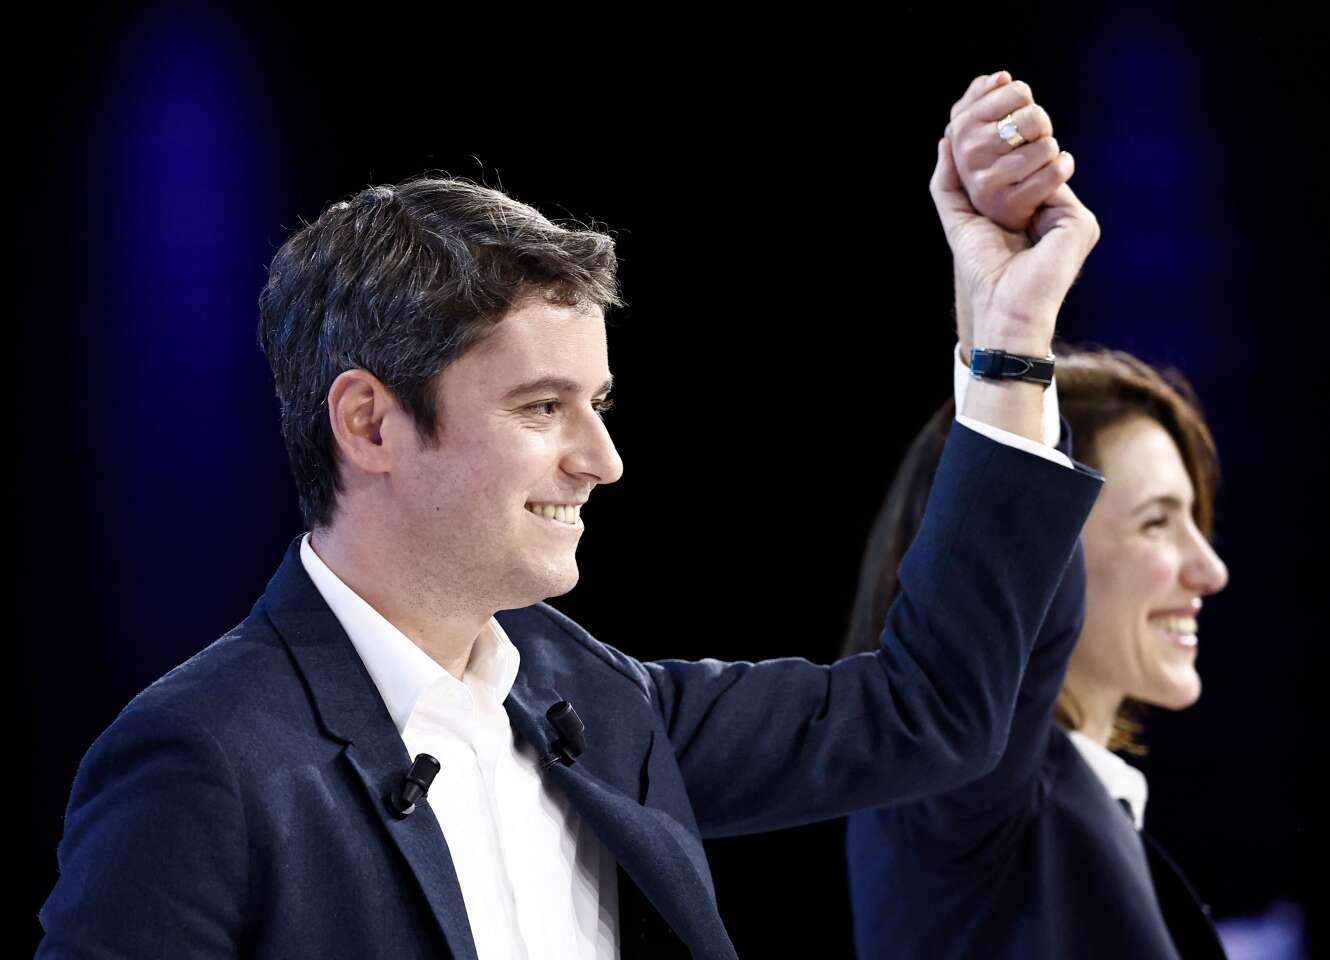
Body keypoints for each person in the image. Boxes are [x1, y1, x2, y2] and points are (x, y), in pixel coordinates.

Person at [38, 74, 1102, 959]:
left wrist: (1006, 342)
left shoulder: (597, 703)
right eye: (542, 407)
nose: (602, 461)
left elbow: (928, 711)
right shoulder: (202, 761)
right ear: (370, 423)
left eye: (597, 405)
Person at [843, 78, 1232, 959]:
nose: (1209, 569)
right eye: (1157, 523)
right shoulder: (954, 790)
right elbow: (1000, 526)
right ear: (1033, 555)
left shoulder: (1085, 802)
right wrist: (1005, 327)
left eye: (1194, 521)